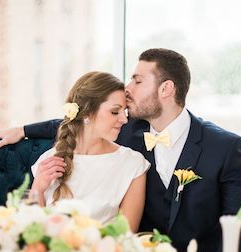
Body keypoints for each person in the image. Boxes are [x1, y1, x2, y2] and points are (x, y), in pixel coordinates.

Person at [0, 49, 241, 252]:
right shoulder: (124, 130)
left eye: (137, 80)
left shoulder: (226, 147)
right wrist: (24, 130)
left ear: (166, 89)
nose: (128, 87)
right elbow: (82, 119)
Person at [29, 71, 150, 232]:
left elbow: (126, 236)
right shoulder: (48, 161)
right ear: (87, 113)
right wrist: (38, 189)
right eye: (115, 111)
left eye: (125, 111)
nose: (124, 119)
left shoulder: (132, 164)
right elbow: (33, 232)